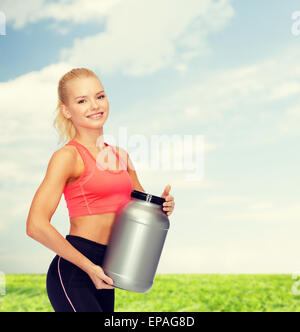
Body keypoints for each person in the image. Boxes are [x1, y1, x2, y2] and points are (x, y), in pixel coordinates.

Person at [26, 68, 175, 312]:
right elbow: (35, 225)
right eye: (82, 100)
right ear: (66, 110)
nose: (94, 106)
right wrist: (88, 267)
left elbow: (139, 210)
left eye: (99, 96)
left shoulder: (121, 156)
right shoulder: (67, 156)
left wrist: (163, 205)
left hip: (108, 269)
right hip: (75, 270)